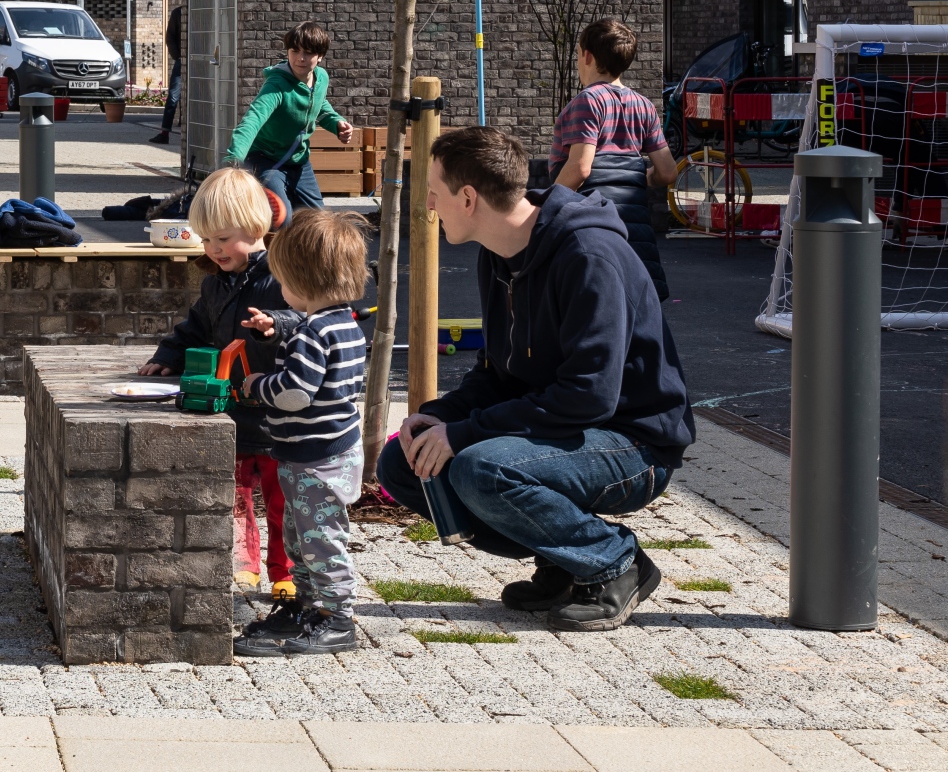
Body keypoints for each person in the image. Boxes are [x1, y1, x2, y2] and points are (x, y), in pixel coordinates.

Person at [376, 126, 693, 632]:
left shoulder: (588, 256)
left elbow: (589, 394)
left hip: (634, 443)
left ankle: (614, 561)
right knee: (402, 463)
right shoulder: (498, 254)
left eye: (433, 188)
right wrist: (439, 416)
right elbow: (498, 374)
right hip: (564, 429)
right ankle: (567, 561)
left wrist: (463, 434)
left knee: (482, 468)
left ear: (468, 197)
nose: (429, 202)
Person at [137, 167, 292, 601]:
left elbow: (305, 322)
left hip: (279, 414)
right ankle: (244, 565)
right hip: (233, 411)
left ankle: (286, 571)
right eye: (206, 239)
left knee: (283, 505)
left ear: (256, 227)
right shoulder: (216, 285)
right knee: (237, 497)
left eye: (223, 239)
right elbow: (195, 329)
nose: (214, 249)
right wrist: (167, 357)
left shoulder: (281, 280)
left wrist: (275, 325)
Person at [230, 209, 373, 657]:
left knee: (320, 538)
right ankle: (310, 607)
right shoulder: (344, 324)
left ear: (302, 283)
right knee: (301, 534)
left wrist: (256, 387)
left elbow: (295, 394)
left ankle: (336, 618)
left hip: (315, 456)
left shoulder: (311, 334)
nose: (281, 291)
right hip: (325, 451)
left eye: (284, 282)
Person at [550, 17, 677, 301]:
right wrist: (640, 178)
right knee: (634, 306)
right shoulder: (643, 105)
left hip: (592, 223)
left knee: (596, 302)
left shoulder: (587, 101)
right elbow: (668, 172)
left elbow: (580, 168)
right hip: (634, 229)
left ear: (587, 55)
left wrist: (548, 208)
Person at [228, 22, 352, 211]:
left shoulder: (321, 78)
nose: (300, 58)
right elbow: (252, 120)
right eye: (295, 51)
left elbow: (317, 105)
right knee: (281, 216)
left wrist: (336, 123)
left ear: (320, 56)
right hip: (266, 160)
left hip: (299, 161)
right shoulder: (276, 85)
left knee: (318, 222)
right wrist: (233, 160)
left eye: (308, 52)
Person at [153, 0, 184, 145]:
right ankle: (164, 132)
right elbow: (169, 36)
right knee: (173, 97)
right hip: (182, 61)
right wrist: (177, 56)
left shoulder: (202, 12)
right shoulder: (178, 13)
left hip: (199, 62)